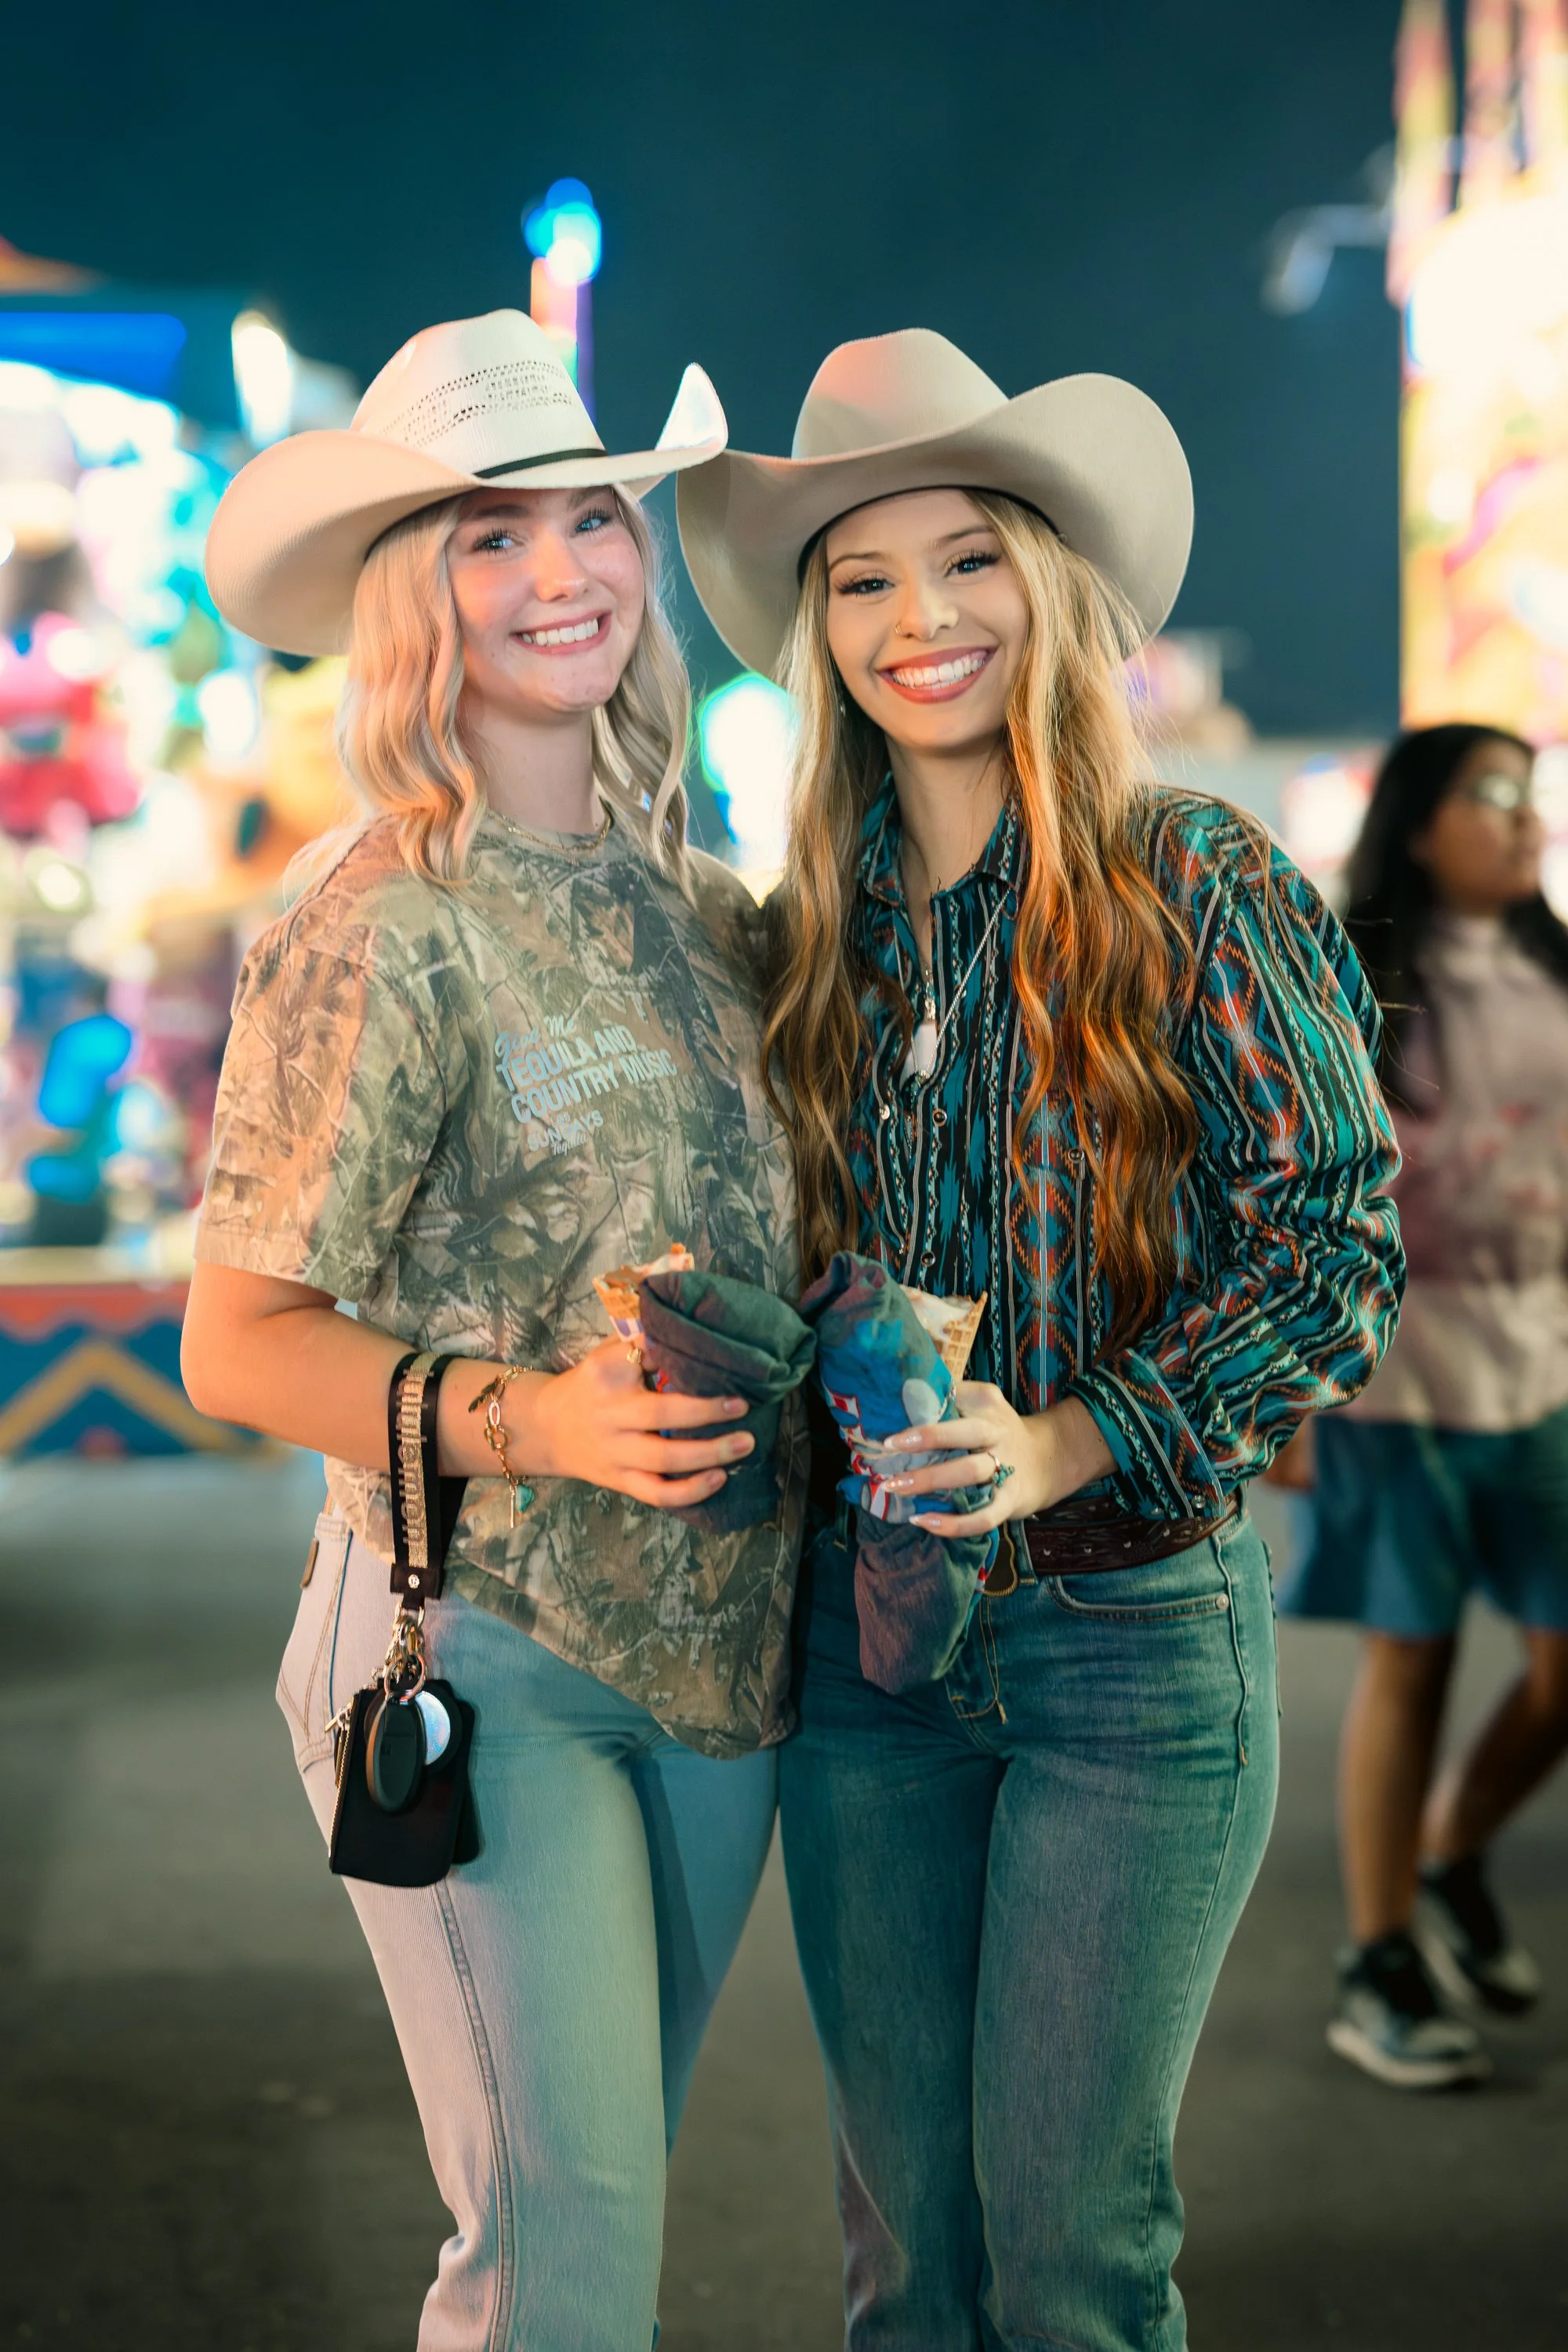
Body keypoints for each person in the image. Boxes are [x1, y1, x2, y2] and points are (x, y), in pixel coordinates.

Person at [677, 328, 1405, 2352]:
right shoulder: (807, 935)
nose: (922, 620)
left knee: (1077, 2270)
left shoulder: (1199, 879)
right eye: (862, 578)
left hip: (1134, 1654)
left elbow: (1336, 1240)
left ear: (1049, 581)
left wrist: (1072, 1439)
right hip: (870, 1652)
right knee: (910, 2274)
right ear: (818, 630)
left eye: (967, 558)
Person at [180, 310, 806, 2350]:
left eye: (590, 521)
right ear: (409, 594)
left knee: (596, 2232)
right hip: (485, 1644)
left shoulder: (698, 906)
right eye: (488, 537)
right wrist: (530, 1421)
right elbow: (240, 1341)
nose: (562, 574)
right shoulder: (378, 914)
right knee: (562, 2259)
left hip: (724, 1664)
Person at [1276, 723, 1568, 2091]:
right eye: (1491, 796)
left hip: (1546, 1359)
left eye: (1529, 797)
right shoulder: (1350, 979)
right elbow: (1290, 1190)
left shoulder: (1551, 967)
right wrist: (1285, 1392)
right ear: (1419, 820)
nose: (1522, 821)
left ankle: (1454, 1850)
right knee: (1415, 1655)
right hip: (1391, 1374)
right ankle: (1378, 1957)